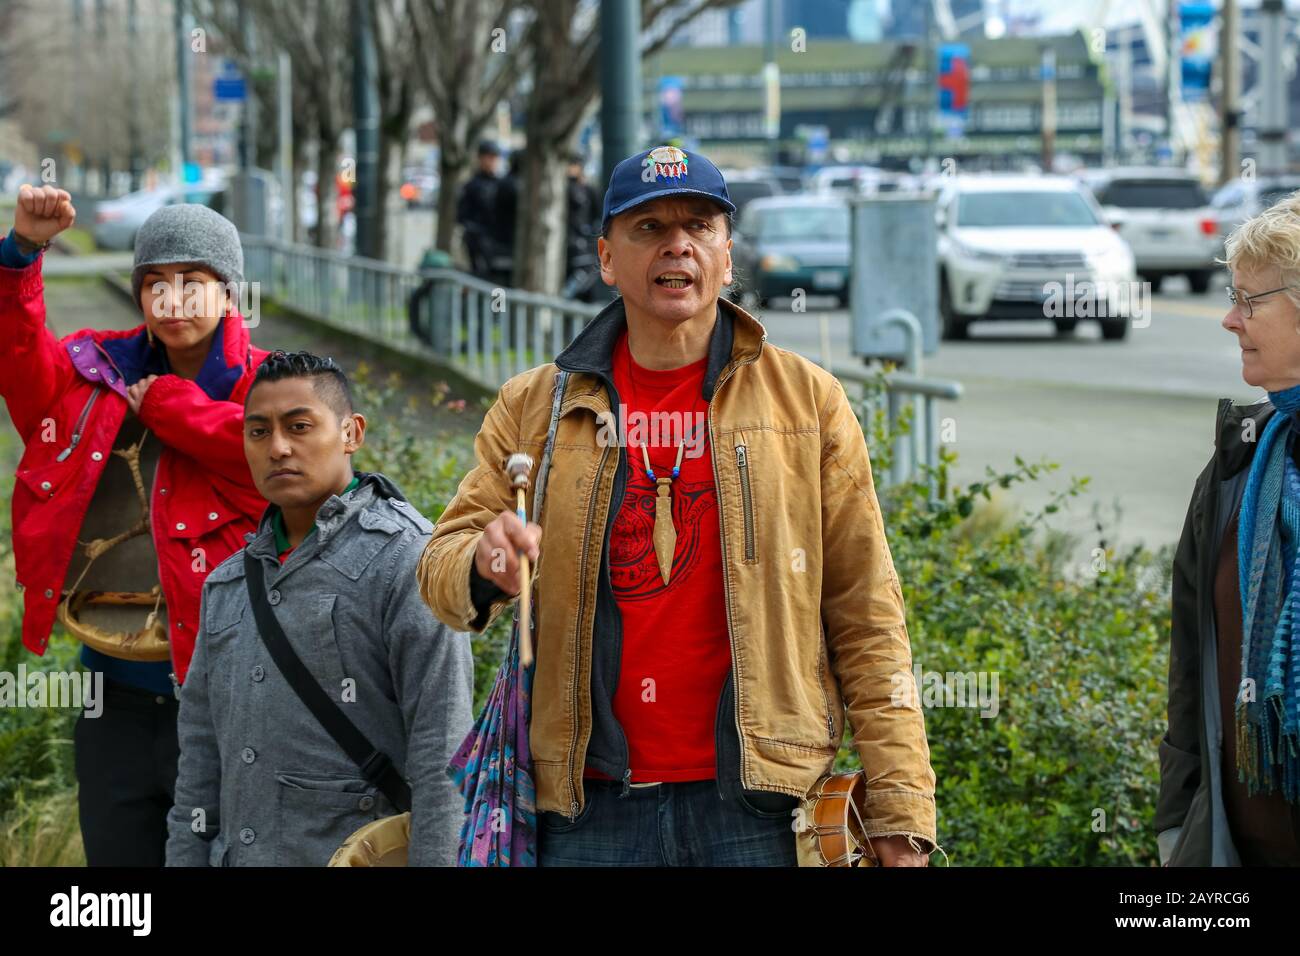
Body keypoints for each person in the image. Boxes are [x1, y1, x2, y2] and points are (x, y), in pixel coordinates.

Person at [418, 146, 937, 867]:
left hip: (759, 810)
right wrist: (482, 562)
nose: (678, 244)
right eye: (649, 227)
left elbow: (867, 610)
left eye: (700, 225)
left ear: (727, 254)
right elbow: (439, 567)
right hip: (588, 811)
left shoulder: (808, 403)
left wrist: (899, 809)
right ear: (606, 258)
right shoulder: (537, 405)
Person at [0, 185, 271, 866]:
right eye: (154, 283)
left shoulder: (274, 386)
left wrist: (171, 407)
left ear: (231, 293)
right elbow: (21, 360)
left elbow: (274, 452)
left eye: (192, 282)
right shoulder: (92, 372)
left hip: (233, 698)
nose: (172, 300)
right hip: (109, 690)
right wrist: (20, 256)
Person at [166, 351, 473, 866]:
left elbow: (443, 755)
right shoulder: (228, 583)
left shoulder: (410, 562)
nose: (278, 447)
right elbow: (199, 762)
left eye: (300, 426)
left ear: (351, 432)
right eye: (258, 432)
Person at [1159, 193, 1300, 866]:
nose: (1228, 320)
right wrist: (1176, 823)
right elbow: (1192, 666)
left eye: (1250, 302)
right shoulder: (1237, 464)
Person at [456, 140, 502, 279]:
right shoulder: (471, 186)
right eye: (489, 157)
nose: (492, 162)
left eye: (494, 158)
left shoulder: (501, 184)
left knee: (497, 283)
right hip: (477, 242)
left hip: (498, 242)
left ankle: (496, 302)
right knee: (479, 277)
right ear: (480, 158)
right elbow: (461, 216)